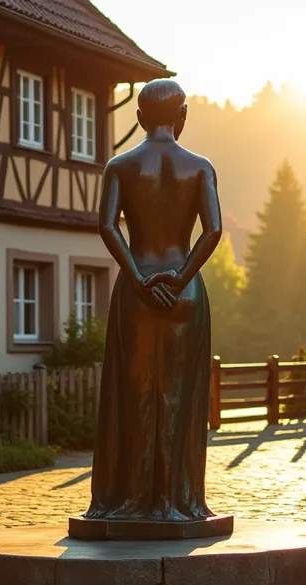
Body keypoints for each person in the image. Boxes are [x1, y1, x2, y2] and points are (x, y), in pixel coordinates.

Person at [82, 79, 223, 523]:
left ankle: (131, 500)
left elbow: (107, 226)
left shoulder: (120, 166)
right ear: (181, 117)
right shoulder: (200, 167)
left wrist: (141, 280)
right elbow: (213, 230)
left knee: (135, 392)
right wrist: (180, 277)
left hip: (136, 289)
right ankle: (180, 501)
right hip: (187, 288)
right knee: (181, 397)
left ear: (140, 118)